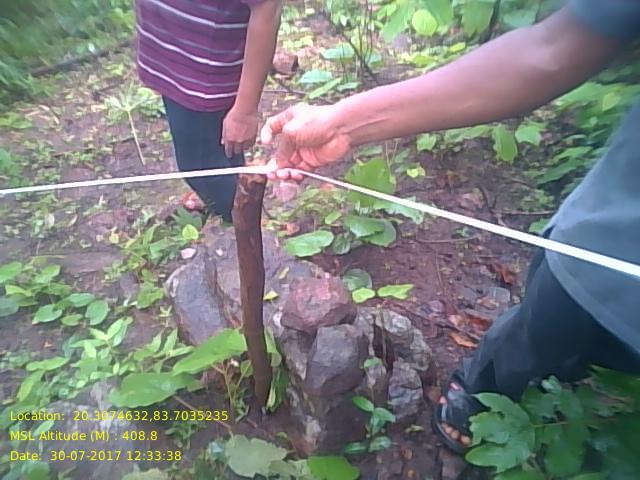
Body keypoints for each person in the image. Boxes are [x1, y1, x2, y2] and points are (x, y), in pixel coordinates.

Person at [261, 0, 640, 453]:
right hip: (602, 254)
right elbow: (552, 49)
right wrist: (341, 124)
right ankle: (484, 388)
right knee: (543, 328)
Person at [135, 0, 282, 222]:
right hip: (180, 64)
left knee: (202, 168)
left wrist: (244, 111)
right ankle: (240, 210)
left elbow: (266, 7)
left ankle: (248, 228)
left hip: (204, 79)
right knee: (220, 156)